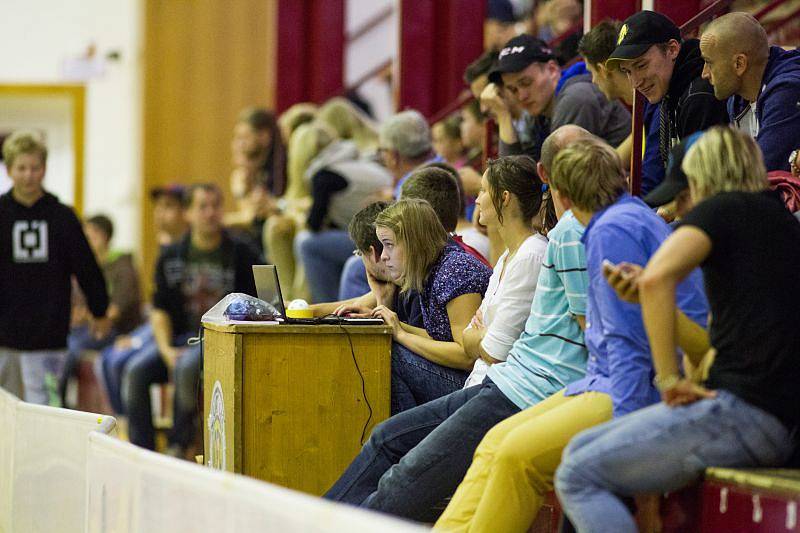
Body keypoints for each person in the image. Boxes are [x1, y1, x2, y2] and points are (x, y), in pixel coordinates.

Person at [435, 138, 709, 532]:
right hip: (607, 379)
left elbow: (630, 349)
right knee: (495, 442)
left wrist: (629, 436)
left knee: (516, 455)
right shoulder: (624, 215)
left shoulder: (607, 231)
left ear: (559, 195)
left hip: (634, 387)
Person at [555, 126, 800, 533]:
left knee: (577, 474)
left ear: (702, 180)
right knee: (581, 449)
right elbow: (708, 345)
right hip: (774, 420)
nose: (677, 212)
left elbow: (656, 280)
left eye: (683, 196)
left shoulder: (722, 208)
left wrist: (668, 380)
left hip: (746, 414)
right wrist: (647, 294)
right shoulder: (779, 222)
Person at [324, 154, 557, 518]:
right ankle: (321, 516)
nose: (476, 199)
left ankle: (334, 520)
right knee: (388, 439)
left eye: (482, 191)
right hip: (484, 383)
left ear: (505, 199)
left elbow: (480, 350)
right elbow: (470, 338)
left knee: (400, 451)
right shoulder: (508, 258)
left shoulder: (468, 268)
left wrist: (404, 333)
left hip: (492, 385)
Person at [122, 184, 262, 456]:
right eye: (202, 207)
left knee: (186, 367)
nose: (210, 213)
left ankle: (179, 444)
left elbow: (261, 299)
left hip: (221, 338)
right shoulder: (170, 255)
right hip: (178, 338)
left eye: (215, 206)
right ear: (188, 213)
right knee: (136, 371)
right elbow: (159, 309)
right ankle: (142, 452)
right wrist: (164, 350)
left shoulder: (242, 253)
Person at [0, 131, 109, 405]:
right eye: (21, 168)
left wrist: (100, 308)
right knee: (6, 409)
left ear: (44, 169)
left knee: (45, 406)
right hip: (4, 332)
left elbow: (85, 266)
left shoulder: (61, 216)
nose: (28, 175)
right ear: (9, 170)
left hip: (48, 330)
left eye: (34, 167)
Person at [369, 199, 491, 414]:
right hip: (464, 377)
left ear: (414, 242)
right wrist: (395, 326)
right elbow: (441, 337)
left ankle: (403, 440)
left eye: (389, 245)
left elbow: (468, 356)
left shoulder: (455, 271)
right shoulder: (432, 268)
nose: (383, 256)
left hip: (478, 385)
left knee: (391, 354)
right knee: (383, 341)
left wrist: (402, 335)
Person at [607, 11, 729, 177]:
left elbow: (702, 186)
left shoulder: (698, 98)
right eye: (627, 71)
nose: (635, 82)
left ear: (672, 49)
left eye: (641, 66)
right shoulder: (669, 92)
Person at [99, 185, 187, 415]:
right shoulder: (164, 245)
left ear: (185, 212)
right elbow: (158, 306)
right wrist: (137, 337)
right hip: (154, 324)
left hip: (177, 330)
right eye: (158, 207)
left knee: (124, 364)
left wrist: (139, 340)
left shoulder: (189, 249)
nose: (159, 213)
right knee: (109, 357)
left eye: (168, 207)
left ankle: (136, 433)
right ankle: (124, 424)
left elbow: (175, 311)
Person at [483, 34, 631, 161]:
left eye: (526, 83)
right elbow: (520, 178)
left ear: (552, 69)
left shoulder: (576, 98)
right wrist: (503, 117)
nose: (522, 95)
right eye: (513, 89)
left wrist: (503, 118)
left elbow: (546, 188)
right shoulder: (539, 114)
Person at [295, 134, 393, 302]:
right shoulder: (350, 165)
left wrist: (296, 213)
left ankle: (326, 308)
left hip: (377, 238)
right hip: (379, 234)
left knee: (306, 242)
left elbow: (313, 224)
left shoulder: (323, 177)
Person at [699, 12, 800, 171]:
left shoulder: (787, 91)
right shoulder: (736, 99)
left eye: (709, 63)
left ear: (739, 64)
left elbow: (758, 175)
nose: (704, 74)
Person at [62, 214, 142, 404]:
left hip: (117, 331)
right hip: (86, 328)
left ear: (102, 236)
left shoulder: (122, 266)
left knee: (70, 349)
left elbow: (115, 311)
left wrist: (87, 316)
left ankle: (59, 403)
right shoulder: (88, 267)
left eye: (88, 238)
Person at [579, 20, 665, 195]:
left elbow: (648, 184)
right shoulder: (644, 108)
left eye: (591, 72)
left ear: (603, 70)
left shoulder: (654, 103)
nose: (593, 81)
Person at [379, 110, 443, 199]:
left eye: (382, 150)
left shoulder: (405, 195)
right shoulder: (446, 165)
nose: (382, 156)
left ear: (393, 156)